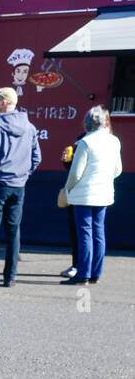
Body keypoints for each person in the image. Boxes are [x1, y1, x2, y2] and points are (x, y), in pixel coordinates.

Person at [0, 86, 41, 288]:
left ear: (4, 103)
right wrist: (23, 176)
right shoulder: (29, 127)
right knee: (13, 231)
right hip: (18, 185)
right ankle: (10, 277)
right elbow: (36, 157)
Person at [63, 106, 123, 285]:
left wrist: (67, 189)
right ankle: (96, 272)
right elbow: (118, 170)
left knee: (84, 234)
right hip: (104, 192)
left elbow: (76, 173)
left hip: (84, 194)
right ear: (104, 122)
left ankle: (83, 274)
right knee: (99, 232)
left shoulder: (85, 143)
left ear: (87, 123)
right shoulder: (114, 141)